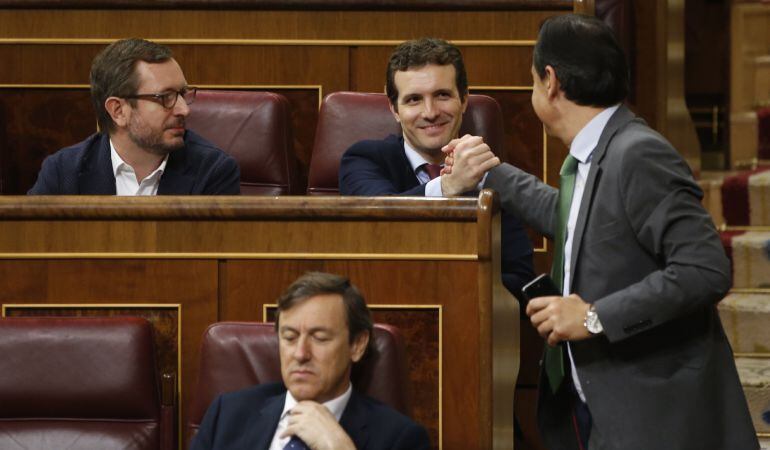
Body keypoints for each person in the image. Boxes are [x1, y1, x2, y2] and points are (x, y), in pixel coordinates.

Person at [441, 14, 758, 450]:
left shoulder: (638, 153)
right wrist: (490, 174)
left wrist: (594, 316)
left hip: (657, 417)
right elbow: (576, 221)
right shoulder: (600, 150)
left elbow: (705, 270)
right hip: (605, 406)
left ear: (550, 81)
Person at [338, 37, 534, 298]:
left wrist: (451, 289)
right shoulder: (364, 159)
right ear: (394, 108)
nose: (430, 112)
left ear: (463, 99)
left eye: (442, 95)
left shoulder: (486, 171)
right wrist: (447, 188)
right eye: (414, 100)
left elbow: (520, 281)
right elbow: (379, 223)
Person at [191, 272, 430, 450]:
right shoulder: (228, 414)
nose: (301, 353)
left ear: (356, 345)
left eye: (320, 338)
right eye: (289, 337)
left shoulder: (400, 439)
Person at [28, 38, 240, 195]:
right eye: (165, 97)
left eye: (182, 94)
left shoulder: (213, 172)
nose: (184, 109)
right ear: (118, 111)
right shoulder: (63, 172)